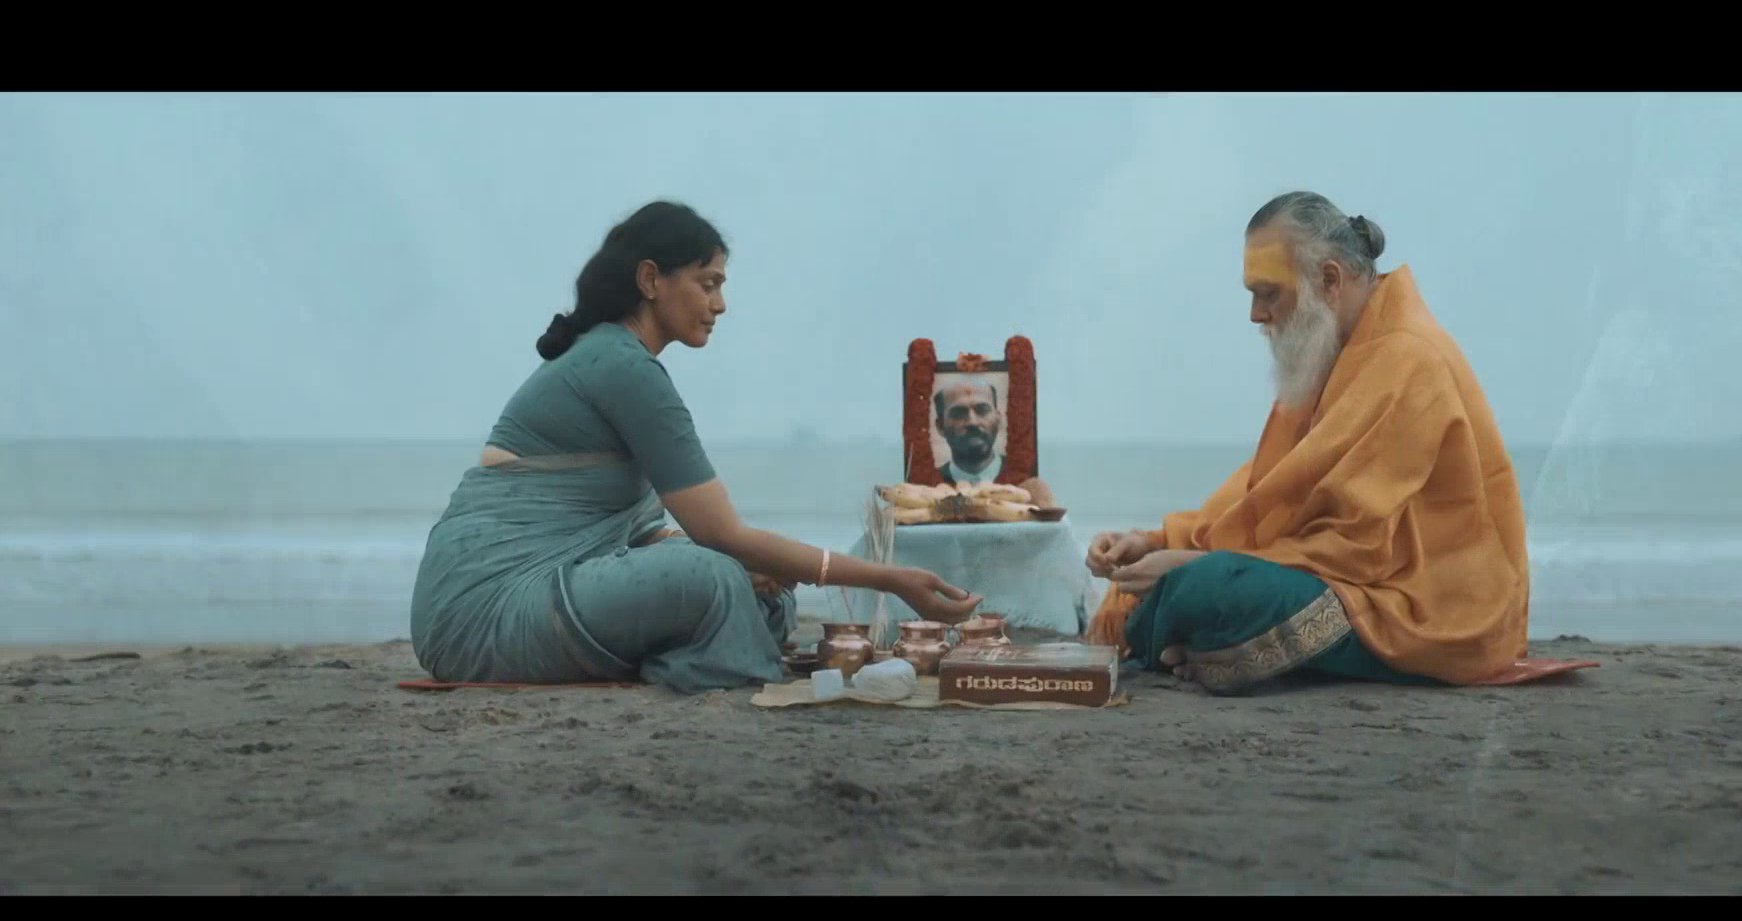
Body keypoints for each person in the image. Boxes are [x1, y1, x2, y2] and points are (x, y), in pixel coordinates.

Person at [410, 201, 982, 690]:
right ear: (651, 280)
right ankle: (685, 660)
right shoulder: (621, 367)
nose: (720, 303)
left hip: (535, 597)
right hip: (483, 614)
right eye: (707, 284)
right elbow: (720, 533)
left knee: (767, 597)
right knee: (711, 576)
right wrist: (892, 579)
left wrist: (753, 565)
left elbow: (642, 532)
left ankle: (682, 652)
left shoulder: (616, 359)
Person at [1084, 190, 1546, 694]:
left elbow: (1357, 549)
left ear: (1329, 280)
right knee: (1195, 588)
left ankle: (1195, 640)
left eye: (1269, 293)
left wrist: (1190, 563)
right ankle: (1201, 643)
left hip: (1420, 606)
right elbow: (1268, 498)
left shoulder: (1410, 359)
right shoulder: (1331, 349)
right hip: (1346, 583)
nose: (1255, 314)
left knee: (1208, 590)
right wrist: (1155, 542)